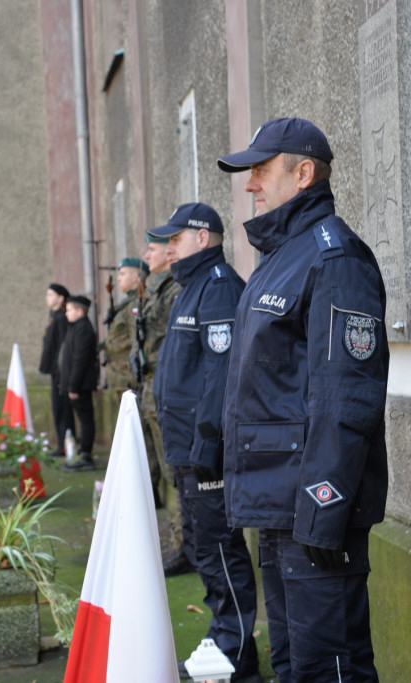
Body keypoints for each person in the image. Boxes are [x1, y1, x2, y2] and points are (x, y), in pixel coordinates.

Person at [217, 117, 390, 682]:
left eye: (262, 170)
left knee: (329, 670)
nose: (251, 184)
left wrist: (322, 512)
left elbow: (347, 400)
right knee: (293, 665)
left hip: (313, 515)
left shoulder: (335, 259)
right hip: (279, 510)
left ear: (304, 173)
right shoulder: (283, 259)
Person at [148, 203, 259, 682]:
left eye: (175, 238)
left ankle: (236, 659)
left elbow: (219, 379)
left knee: (220, 554)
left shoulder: (217, 290)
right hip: (186, 453)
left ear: (202, 237)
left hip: (205, 457)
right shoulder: (190, 288)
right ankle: (222, 643)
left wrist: (205, 453)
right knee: (204, 552)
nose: (169, 247)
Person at [140, 231, 191, 576]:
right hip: (150, 388)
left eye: (152, 249)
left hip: (166, 389)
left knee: (174, 474)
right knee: (162, 470)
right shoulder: (158, 286)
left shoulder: (175, 288)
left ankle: (184, 544)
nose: (147, 255)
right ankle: (176, 538)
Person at [58, 294, 99, 472]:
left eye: (69, 310)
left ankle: (86, 456)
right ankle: (82, 453)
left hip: (80, 385)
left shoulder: (83, 329)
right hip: (74, 384)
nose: (66, 313)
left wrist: (73, 386)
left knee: (86, 420)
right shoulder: (76, 327)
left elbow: (80, 360)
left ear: (79, 311)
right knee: (83, 419)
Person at [102, 258, 149, 392]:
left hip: (128, 377)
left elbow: (137, 341)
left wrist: (134, 380)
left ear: (135, 277)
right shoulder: (128, 303)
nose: (118, 279)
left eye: (122, 274)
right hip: (120, 375)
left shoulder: (137, 303)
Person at [38, 283, 74, 458]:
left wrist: (61, 372)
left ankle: (65, 445)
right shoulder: (54, 316)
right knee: (58, 408)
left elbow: (62, 347)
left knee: (62, 409)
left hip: (61, 372)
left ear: (61, 298)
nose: (47, 298)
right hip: (56, 371)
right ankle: (63, 443)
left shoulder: (60, 318)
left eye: (51, 295)